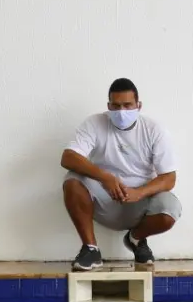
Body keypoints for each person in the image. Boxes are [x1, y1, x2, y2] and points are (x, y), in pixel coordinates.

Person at [62, 77, 181, 272]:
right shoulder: (94, 123)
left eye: (127, 105)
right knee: (72, 181)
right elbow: (68, 157)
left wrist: (139, 193)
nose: (121, 112)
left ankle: (136, 239)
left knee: (170, 209)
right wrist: (106, 178)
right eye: (116, 106)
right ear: (108, 106)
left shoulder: (154, 130)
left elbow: (169, 178)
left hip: (139, 203)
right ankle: (91, 249)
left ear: (138, 105)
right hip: (103, 199)